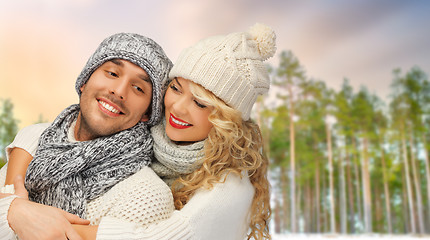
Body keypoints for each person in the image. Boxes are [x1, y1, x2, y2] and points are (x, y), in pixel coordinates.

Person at [1, 23, 276, 240]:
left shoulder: (229, 188)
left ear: (226, 121)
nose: (177, 108)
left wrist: (41, 221)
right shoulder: (149, 137)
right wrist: (17, 203)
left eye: (200, 103)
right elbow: (43, 133)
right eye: (176, 88)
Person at [0, 32, 175, 238]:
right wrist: (13, 211)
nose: (119, 91)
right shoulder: (35, 138)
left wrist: (13, 210)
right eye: (112, 73)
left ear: (147, 113)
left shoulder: (147, 196)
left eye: (138, 88)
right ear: (84, 81)